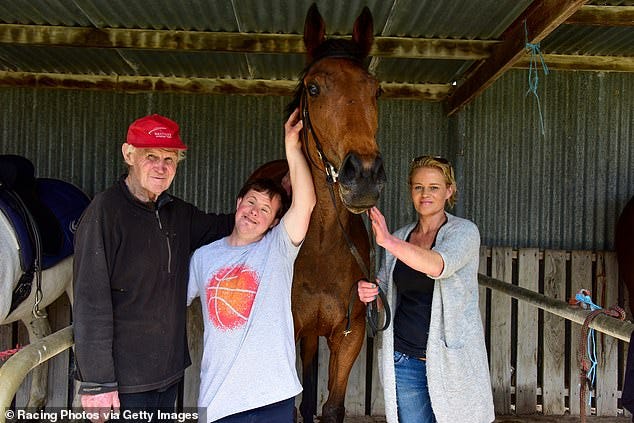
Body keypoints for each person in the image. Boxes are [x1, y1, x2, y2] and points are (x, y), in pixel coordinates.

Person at [73, 114, 234, 422]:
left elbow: (227, 226)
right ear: (129, 155)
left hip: (167, 373)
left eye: (169, 159)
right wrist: (97, 383)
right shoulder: (104, 212)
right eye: (151, 157)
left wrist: (274, 205)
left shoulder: (178, 213)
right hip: (124, 383)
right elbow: (90, 302)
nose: (161, 167)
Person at [187, 108, 315, 423]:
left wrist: (292, 146)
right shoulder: (203, 258)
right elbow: (167, 302)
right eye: (251, 202)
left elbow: (306, 203)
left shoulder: (278, 249)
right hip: (218, 401)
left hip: (274, 397)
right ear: (237, 204)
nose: (255, 212)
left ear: (274, 223)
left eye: (266, 210)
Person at [357, 156, 495, 423]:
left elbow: (438, 265)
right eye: (418, 187)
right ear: (411, 190)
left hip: (451, 360)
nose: (425, 194)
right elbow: (385, 292)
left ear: (449, 191)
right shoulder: (401, 236)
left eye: (434, 187)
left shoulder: (464, 232)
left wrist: (387, 241)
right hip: (404, 359)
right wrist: (371, 293)